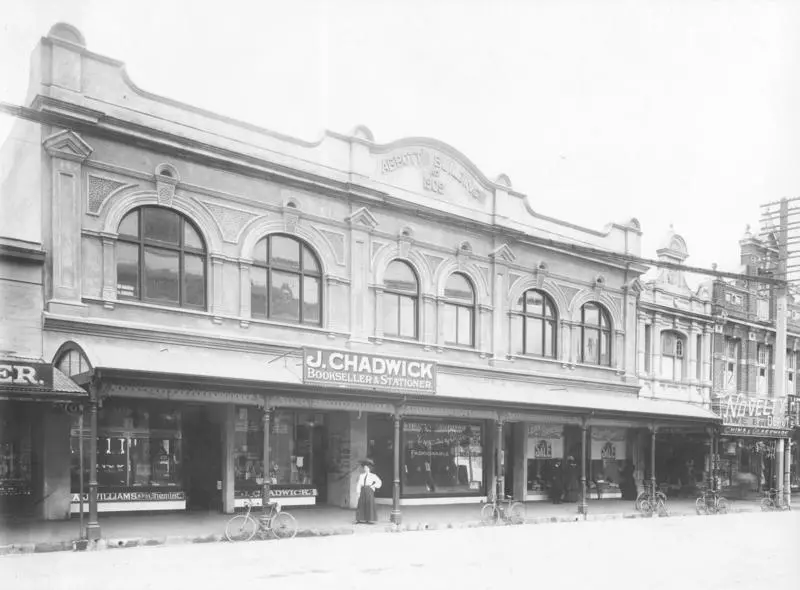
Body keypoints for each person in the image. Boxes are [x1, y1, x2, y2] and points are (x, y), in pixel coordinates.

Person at [355, 459, 382, 524]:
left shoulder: (373, 476)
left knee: (369, 503)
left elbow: (379, 482)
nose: (366, 469)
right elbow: (359, 484)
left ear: (369, 468)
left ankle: (369, 519)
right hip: (363, 490)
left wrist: (373, 486)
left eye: (367, 468)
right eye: (365, 468)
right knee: (361, 504)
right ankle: (360, 519)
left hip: (369, 490)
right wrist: (358, 492)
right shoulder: (361, 475)